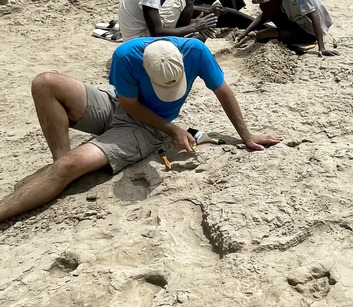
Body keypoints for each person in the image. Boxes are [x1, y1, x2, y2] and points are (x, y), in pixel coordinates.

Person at [0, 38, 281, 224]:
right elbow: (129, 105)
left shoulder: (195, 51)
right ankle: (60, 170)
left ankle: (62, 172)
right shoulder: (126, 55)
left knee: (71, 165)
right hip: (121, 105)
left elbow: (223, 91)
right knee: (45, 83)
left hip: (148, 130)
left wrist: (246, 135)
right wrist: (172, 127)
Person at [234, 0, 338, 57]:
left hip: (310, 31)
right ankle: (282, 33)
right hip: (295, 22)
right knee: (264, 10)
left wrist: (322, 47)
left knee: (261, 35)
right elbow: (264, 14)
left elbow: (314, 16)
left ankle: (287, 36)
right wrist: (245, 32)